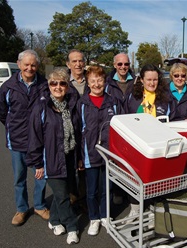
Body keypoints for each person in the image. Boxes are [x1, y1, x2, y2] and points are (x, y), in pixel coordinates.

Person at [0, 49, 50, 226]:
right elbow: (1, 112)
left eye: (33, 65)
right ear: (19, 65)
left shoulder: (44, 85)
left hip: (39, 141)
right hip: (17, 141)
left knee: (40, 176)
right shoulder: (8, 87)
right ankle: (21, 208)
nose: (30, 68)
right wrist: (14, 127)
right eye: (26, 64)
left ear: (37, 66)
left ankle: (40, 206)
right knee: (19, 177)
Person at [26, 68, 80, 244]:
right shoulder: (41, 108)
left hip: (69, 156)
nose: (58, 87)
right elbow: (34, 138)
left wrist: (78, 156)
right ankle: (72, 226)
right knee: (63, 196)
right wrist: (38, 164)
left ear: (67, 86)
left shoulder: (71, 105)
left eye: (62, 83)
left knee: (61, 194)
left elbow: (77, 133)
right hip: (51, 159)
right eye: (53, 83)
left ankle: (54, 220)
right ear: (48, 85)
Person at [123, 64, 175, 222]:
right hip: (136, 145)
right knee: (133, 177)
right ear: (141, 80)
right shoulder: (133, 96)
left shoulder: (166, 98)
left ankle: (154, 209)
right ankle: (135, 208)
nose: (152, 83)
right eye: (149, 80)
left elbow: (173, 118)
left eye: (155, 80)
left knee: (156, 179)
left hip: (158, 146)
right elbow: (124, 116)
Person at [77, 65, 123, 236]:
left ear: (105, 81)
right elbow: (78, 131)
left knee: (107, 188)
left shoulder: (113, 102)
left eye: (100, 80)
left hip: (109, 154)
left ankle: (105, 216)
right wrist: (79, 157)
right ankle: (94, 218)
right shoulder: (82, 103)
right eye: (93, 81)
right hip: (89, 154)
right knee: (91, 191)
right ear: (88, 83)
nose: (96, 84)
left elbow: (119, 129)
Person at [105, 52, 136, 205]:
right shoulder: (107, 83)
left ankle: (130, 194)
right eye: (120, 64)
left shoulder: (136, 82)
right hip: (115, 128)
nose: (123, 67)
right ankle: (117, 191)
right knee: (116, 161)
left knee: (131, 163)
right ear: (114, 65)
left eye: (126, 64)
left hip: (132, 129)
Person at [66, 49, 88, 206]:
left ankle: (85, 199)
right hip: (70, 133)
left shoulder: (92, 81)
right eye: (74, 61)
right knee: (69, 167)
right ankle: (72, 198)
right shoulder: (64, 84)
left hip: (88, 132)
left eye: (80, 60)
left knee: (85, 167)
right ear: (68, 64)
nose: (78, 64)